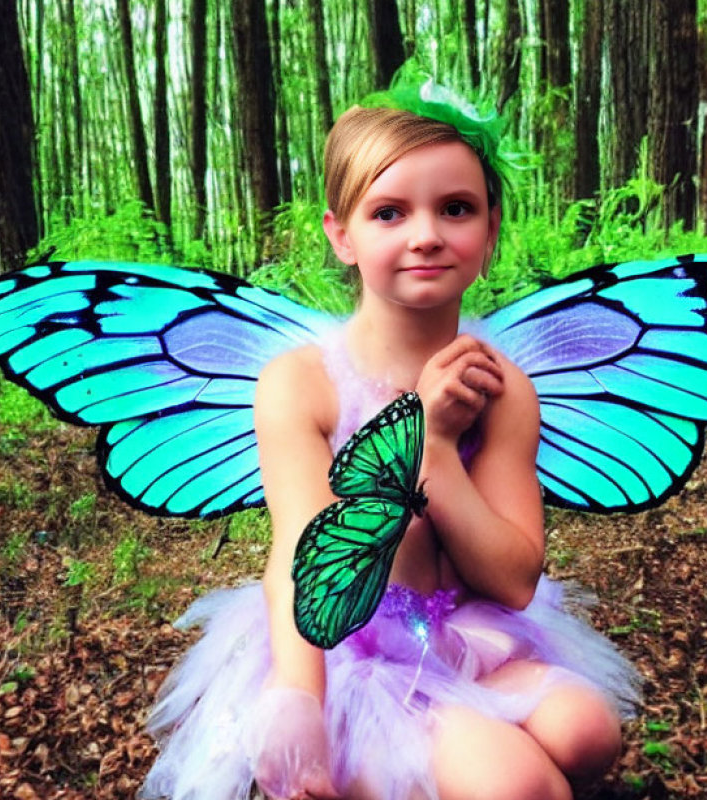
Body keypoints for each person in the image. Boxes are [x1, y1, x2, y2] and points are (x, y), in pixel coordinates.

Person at [140, 78, 641, 800]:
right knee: (524, 787)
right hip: (346, 652)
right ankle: (391, 763)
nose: (427, 234)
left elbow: (512, 578)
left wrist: (435, 448)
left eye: (456, 208)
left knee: (587, 730)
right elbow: (307, 559)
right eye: (389, 212)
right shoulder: (302, 384)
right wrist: (299, 700)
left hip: (462, 632)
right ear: (342, 234)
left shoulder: (502, 389)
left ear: (491, 228)